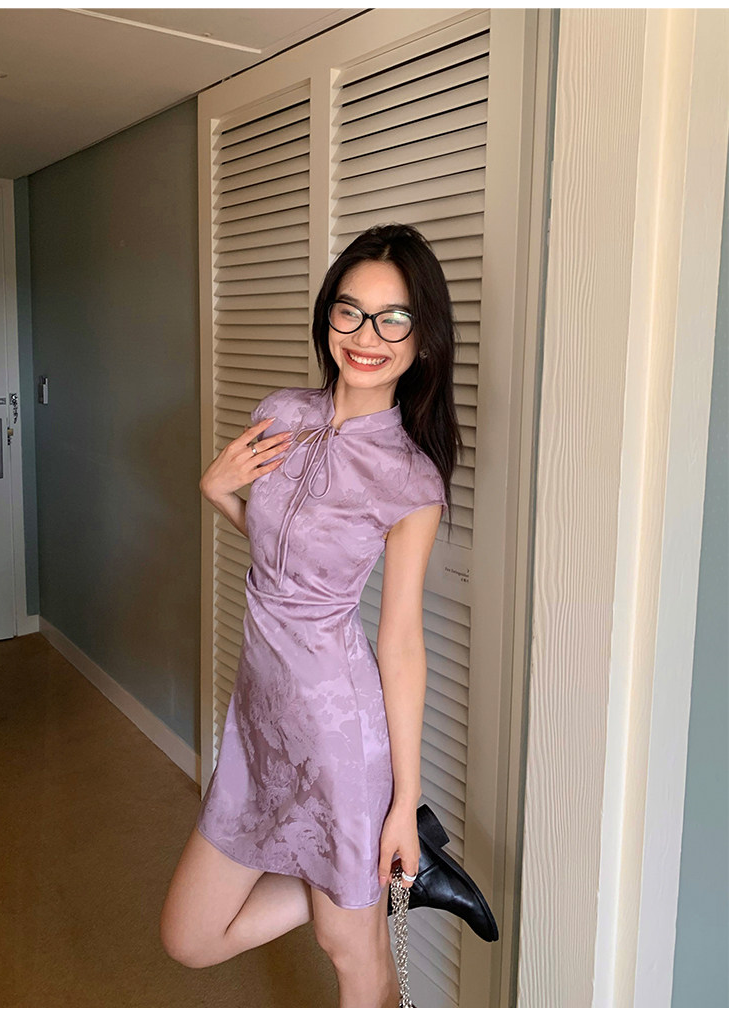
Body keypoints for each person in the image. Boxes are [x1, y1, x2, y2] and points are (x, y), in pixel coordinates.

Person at [160, 223, 463, 1007]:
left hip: (339, 736)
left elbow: (401, 641)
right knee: (189, 936)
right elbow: (286, 559)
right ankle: (371, 871)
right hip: (258, 723)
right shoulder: (281, 413)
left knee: (352, 957)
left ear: (422, 338)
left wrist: (402, 801)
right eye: (350, 310)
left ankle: (375, 862)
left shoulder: (410, 478)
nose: (367, 335)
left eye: (394, 318)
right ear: (328, 315)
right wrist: (218, 491)